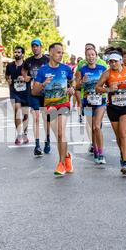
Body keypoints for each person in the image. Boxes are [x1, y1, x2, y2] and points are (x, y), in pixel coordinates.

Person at [95, 50, 126, 175]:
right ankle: (122, 154)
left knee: (124, 133)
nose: (113, 64)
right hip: (113, 107)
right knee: (118, 136)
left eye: (115, 61)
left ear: (121, 61)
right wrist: (108, 89)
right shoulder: (107, 74)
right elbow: (97, 87)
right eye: (110, 61)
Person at [33, 42, 75, 176]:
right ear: (51, 53)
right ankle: (67, 156)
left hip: (64, 103)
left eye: (62, 52)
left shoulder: (66, 68)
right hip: (49, 105)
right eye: (58, 52)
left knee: (61, 132)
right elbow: (34, 91)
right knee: (58, 135)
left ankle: (61, 164)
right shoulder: (43, 70)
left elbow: (72, 80)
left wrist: (72, 87)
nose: (60, 55)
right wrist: (43, 84)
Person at [75, 47, 107, 164]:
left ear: (96, 56)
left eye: (93, 55)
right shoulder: (82, 70)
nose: (91, 57)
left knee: (97, 126)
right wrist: (82, 81)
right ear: (85, 57)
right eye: (88, 55)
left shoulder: (103, 69)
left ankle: (101, 153)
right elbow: (76, 87)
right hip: (87, 103)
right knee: (92, 127)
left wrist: (107, 89)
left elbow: (108, 84)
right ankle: (95, 150)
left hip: (100, 102)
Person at [22, 38, 51, 156]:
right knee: (36, 118)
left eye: (37, 46)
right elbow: (23, 71)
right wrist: (26, 77)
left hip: (46, 94)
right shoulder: (28, 61)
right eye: (33, 46)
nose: (35, 48)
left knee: (46, 119)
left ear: (41, 47)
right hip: (33, 93)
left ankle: (47, 140)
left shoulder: (47, 60)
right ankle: (37, 145)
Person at [6, 46, 30, 145]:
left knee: (25, 115)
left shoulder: (27, 65)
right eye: (15, 52)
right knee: (17, 110)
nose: (16, 54)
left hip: (25, 92)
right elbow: (7, 76)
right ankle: (19, 134)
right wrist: (8, 80)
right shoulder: (10, 65)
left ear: (22, 54)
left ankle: (24, 133)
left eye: (19, 52)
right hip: (14, 91)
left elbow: (31, 77)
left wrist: (25, 78)